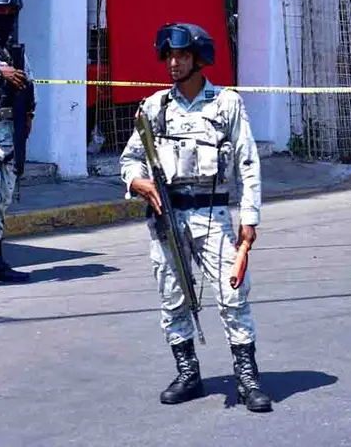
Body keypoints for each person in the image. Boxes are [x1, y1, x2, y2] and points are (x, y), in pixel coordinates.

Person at [120, 22, 272, 412]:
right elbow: (131, 159)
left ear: (199, 59)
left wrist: (249, 218)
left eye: (182, 56)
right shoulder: (154, 107)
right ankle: (187, 372)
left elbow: (248, 163)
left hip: (213, 212)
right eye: (169, 56)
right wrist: (138, 182)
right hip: (166, 215)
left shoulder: (226, 104)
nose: (173, 63)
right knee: (172, 297)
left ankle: (247, 376)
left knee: (232, 294)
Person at [0, 0, 34, 284]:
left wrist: (29, 116)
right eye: (0, 13)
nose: (5, 19)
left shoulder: (14, 51)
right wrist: (0, 71)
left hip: (10, 134)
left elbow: (29, 84)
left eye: (10, 14)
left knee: (3, 198)